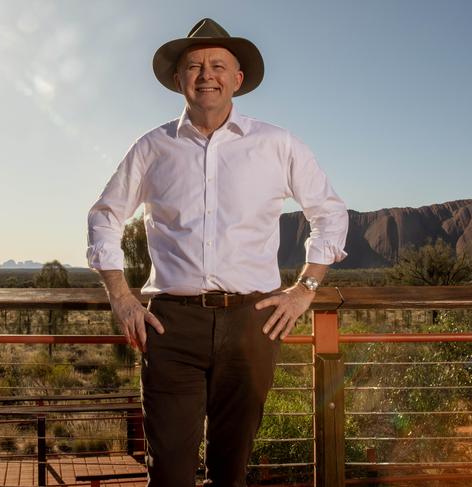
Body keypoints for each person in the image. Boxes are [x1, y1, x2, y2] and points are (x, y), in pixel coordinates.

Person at [86, 18, 348, 487]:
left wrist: (305, 289)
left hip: (253, 323)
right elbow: (105, 215)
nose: (206, 74)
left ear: (238, 79)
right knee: (169, 473)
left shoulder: (277, 144)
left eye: (218, 65)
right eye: (194, 66)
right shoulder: (153, 147)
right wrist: (122, 297)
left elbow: (329, 213)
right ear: (178, 80)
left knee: (232, 471)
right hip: (171, 325)